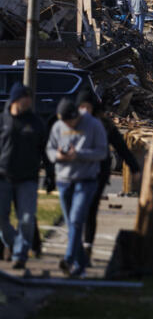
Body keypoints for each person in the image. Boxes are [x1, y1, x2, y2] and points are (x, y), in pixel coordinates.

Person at [76, 91, 139, 265]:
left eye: (87, 107)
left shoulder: (104, 125)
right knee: (78, 211)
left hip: (98, 173)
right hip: (78, 173)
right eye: (81, 107)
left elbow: (121, 147)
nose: (84, 111)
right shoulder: (74, 123)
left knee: (90, 209)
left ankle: (87, 245)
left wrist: (134, 168)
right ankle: (77, 246)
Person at [46, 98, 107, 277]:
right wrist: (57, 155)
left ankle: (68, 259)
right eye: (65, 123)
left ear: (76, 116)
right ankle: (81, 265)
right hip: (64, 180)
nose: (68, 126)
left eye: (71, 122)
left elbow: (102, 152)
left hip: (86, 180)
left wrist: (78, 155)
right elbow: (49, 149)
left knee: (76, 220)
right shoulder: (58, 126)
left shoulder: (94, 125)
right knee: (72, 224)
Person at [0, 83, 47, 270]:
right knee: (1, 220)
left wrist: (50, 173)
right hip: (2, 176)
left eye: (29, 98)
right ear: (14, 99)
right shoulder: (2, 120)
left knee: (27, 219)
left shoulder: (35, 123)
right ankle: (14, 244)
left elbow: (45, 150)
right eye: (23, 98)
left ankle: (19, 255)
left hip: (27, 178)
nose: (26, 102)